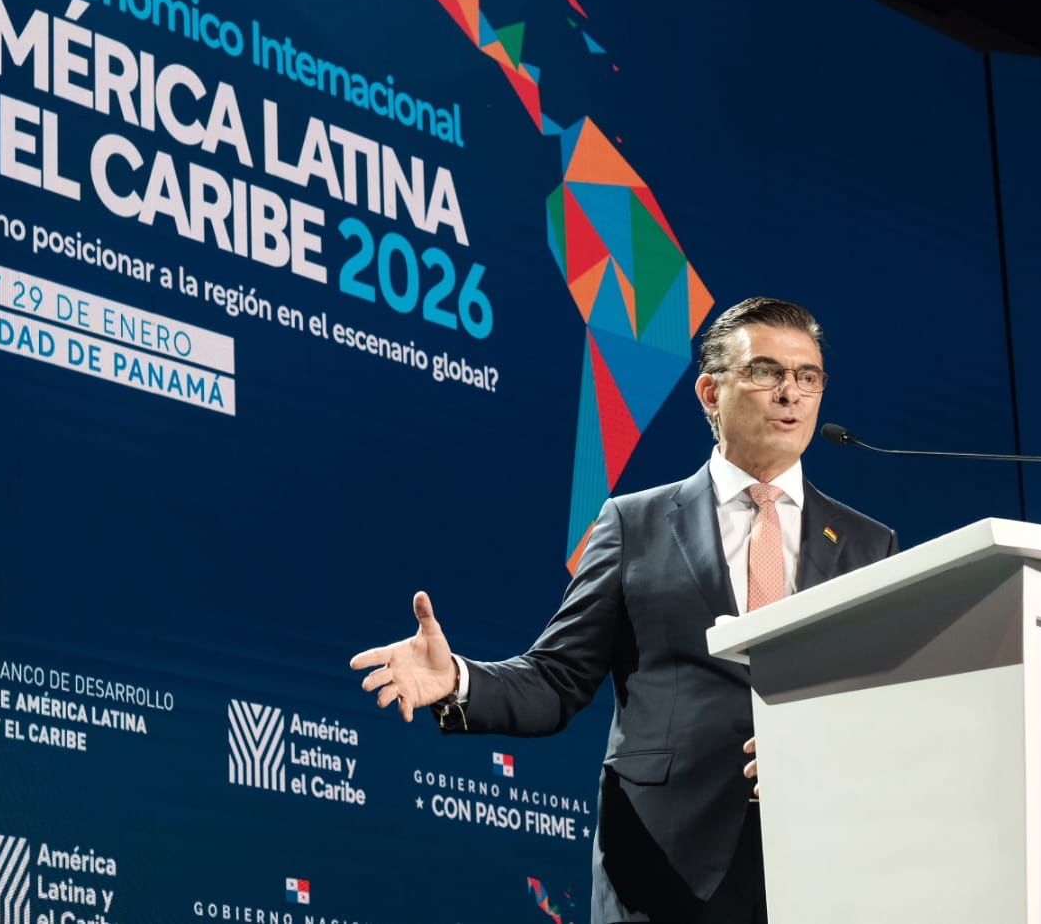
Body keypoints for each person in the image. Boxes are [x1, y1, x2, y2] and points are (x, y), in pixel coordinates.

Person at [350, 298, 897, 923]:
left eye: (807, 377)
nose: (790, 394)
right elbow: (556, 681)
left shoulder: (865, 545)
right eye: (766, 372)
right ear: (710, 392)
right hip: (665, 866)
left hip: (823, 863)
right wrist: (459, 681)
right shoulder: (633, 524)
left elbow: (883, 707)